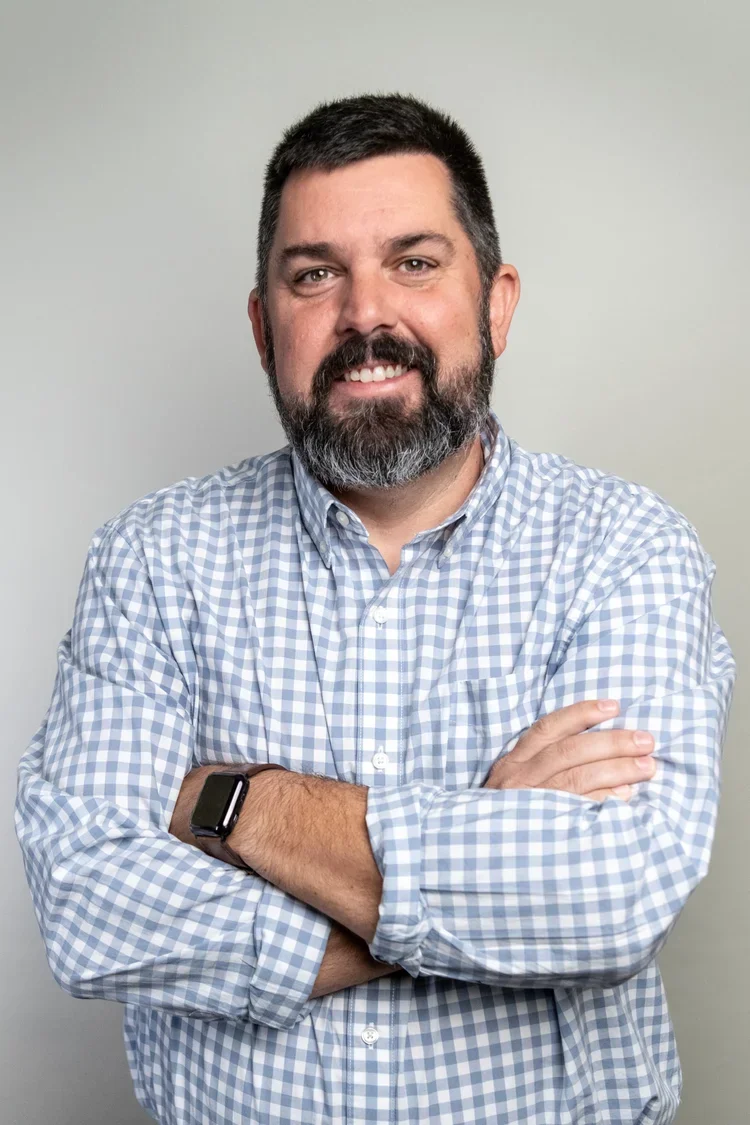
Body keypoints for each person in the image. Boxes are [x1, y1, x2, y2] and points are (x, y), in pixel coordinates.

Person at [16, 92, 734, 1125]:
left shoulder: (625, 549)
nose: (365, 316)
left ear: (497, 301)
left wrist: (241, 805)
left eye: (414, 262)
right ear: (266, 329)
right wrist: (486, 843)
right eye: (316, 275)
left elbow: (608, 897)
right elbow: (91, 910)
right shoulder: (152, 560)